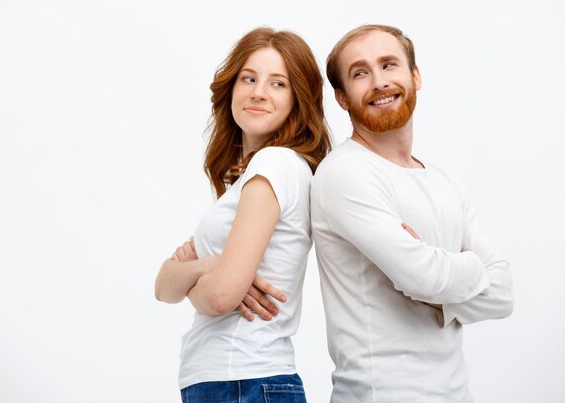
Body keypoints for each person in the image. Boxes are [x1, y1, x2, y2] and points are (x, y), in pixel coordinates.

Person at [311, 24, 514, 403]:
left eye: (389, 65)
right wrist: (469, 268)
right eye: (360, 73)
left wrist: (437, 283)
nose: (379, 82)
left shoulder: (444, 179)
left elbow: (504, 295)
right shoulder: (345, 173)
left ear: (415, 76)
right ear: (341, 97)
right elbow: (423, 277)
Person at [155, 27, 331, 403]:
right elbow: (162, 286)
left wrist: (208, 272)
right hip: (233, 382)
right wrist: (210, 267)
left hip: (244, 380)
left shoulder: (275, 163)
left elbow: (220, 297)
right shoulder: (247, 176)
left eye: (278, 84)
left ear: (298, 99)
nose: (258, 92)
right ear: (231, 88)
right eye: (248, 78)